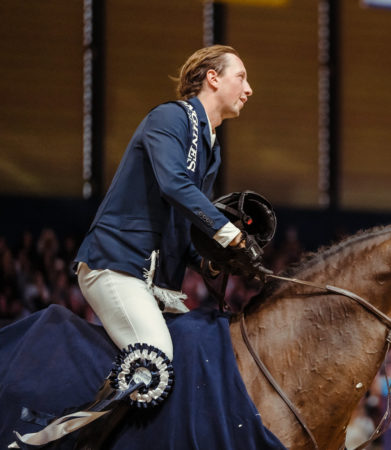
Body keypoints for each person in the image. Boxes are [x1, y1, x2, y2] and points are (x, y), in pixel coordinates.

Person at [11, 45, 254, 448]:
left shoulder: (211, 148)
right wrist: (230, 234)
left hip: (153, 280)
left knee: (194, 356)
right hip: (117, 265)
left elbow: (180, 224)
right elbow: (174, 186)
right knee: (154, 357)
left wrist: (212, 264)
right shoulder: (170, 117)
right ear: (213, 77)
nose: (249, 89)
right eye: (241, 76)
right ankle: (45, 442)